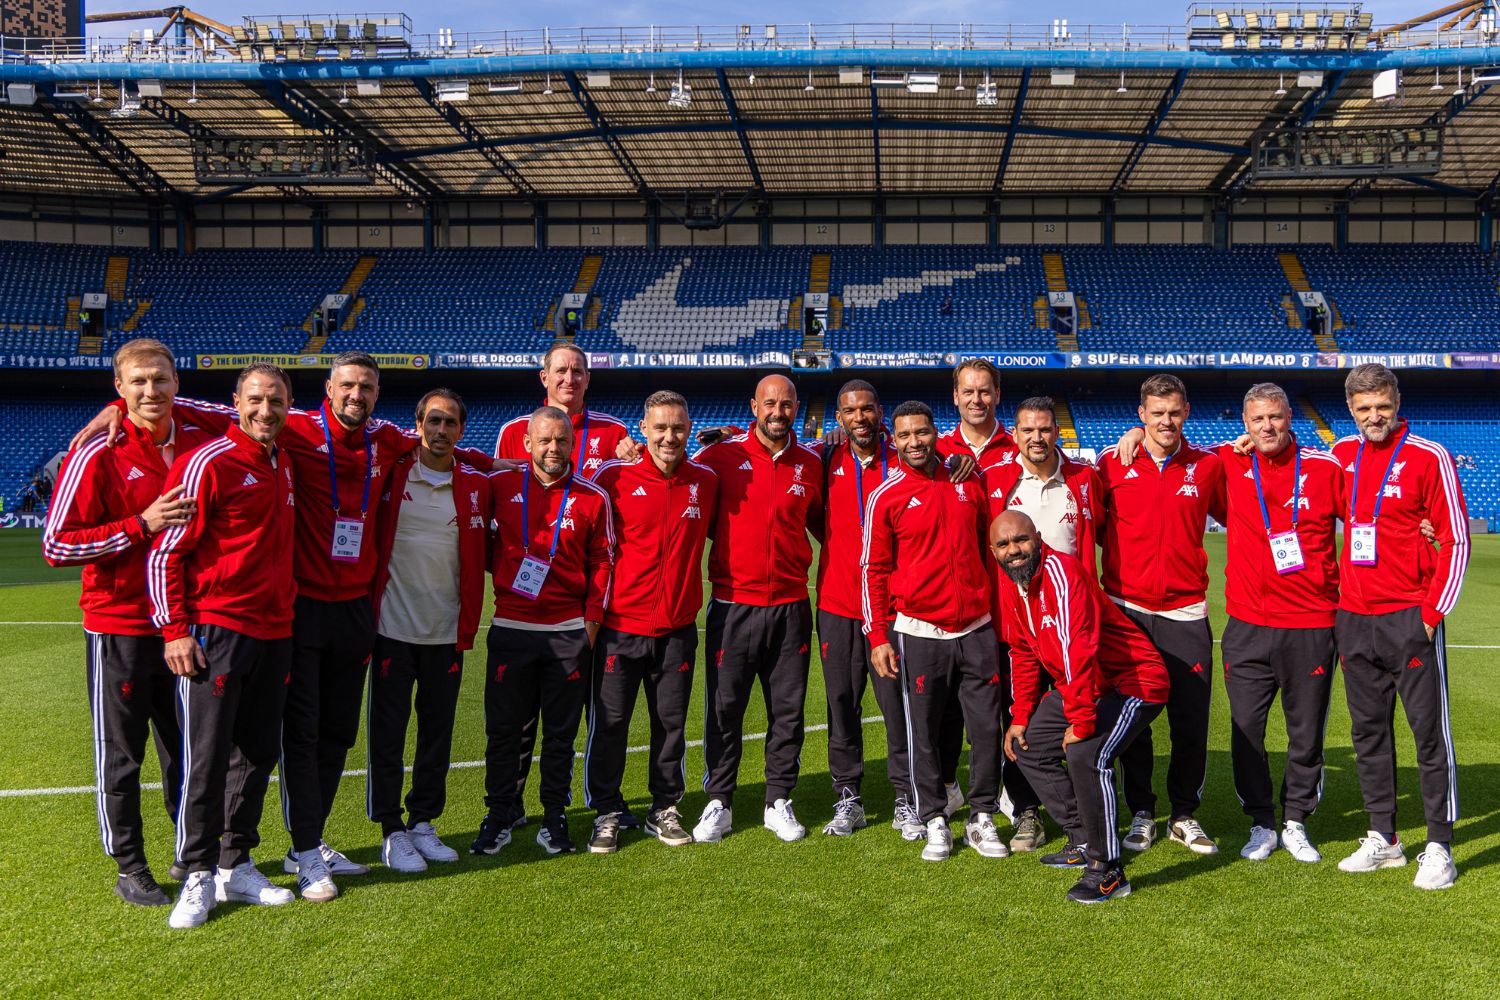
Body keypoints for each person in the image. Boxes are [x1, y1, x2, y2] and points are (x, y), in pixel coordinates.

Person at [71, 351, 496, 900]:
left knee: (335, 733)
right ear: (326, 390)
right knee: (292, 733)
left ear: (376, 393)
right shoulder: (293, 426)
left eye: (366, 387)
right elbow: (200, 406)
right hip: (296, 609)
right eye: (347, 385)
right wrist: (119, 405)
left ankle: (299, 848)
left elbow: (450, 449)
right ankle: (268, 851)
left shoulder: (386, 439)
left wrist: (509, 466)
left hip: (354, 610)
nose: (355, 396)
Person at [42, 338, 207, 907]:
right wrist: (141, 522)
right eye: (137, 382)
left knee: (189, 749)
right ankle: (130, 865)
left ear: (176, 382)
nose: (150, 391)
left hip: (185, 624)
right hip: (121, 625)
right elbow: (56, 546)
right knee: (123, 752)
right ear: (119, 389)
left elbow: (260, 406)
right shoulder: (96, 452)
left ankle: (193, 858)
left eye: (160, 379)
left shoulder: (200, 432)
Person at [148, 363, 298, 929]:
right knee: (205, 756)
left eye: (276, 401)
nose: (265, 411)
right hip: (216, 631)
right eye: (255, 400)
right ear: (235, 401)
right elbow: (165, 553)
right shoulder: (207, 462)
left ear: (288, 406)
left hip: (275, 630)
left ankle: (236, 862)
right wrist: (175, 630)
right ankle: (196, 872)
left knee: (258, 752)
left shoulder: (282, 462)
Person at [1332, 363, 1469, 890]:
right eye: (1364, 408)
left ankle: (1439, 845)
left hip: (1409, 617)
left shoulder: (1427, 456)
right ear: (1351, 409)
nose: (1374, 416)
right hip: (1354, 619)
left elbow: (1456, 540)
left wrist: (1432, 614)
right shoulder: (1341, 456)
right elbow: (1278, 450)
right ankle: (1384, 838)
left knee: (1429, 735)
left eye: (1382, 405)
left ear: (1396, 400)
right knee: (1368, 734)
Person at [993, 510, 1169, 904]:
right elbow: (1022, 653)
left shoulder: (1061, 572)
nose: (1014, 550)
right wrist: (1020, 716)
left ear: (1037, 537)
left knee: (1086, 754)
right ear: (994, 552)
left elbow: (1078, 651)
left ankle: (1108, 869)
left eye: (1021, 540)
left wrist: (1083, 719)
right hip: (1090, 685)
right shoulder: (1012, 585)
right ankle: (1083, 838)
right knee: (1028, 746)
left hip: (1135, 680)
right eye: (1004, 545)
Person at [492, 342, 633, 830]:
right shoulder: (513, 431)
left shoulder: (614, 432)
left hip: (585, 605)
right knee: (519, 720)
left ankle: (598, 800)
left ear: (588, 379)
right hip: (523, 609)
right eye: (560, 371)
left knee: (590, 711)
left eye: (578, 371)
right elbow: (498, 510)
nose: (569, 378)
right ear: (543, 377)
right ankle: (508, 805)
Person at [861, 401, 1008, 863]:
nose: (914, 443)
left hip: (977, 628)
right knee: (921, 732)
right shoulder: (885, 495)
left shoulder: (969, 480)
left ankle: (983, 815)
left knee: (985, 729)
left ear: (934, 433)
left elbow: (993, 549)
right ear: (894, 439)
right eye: (904, 436)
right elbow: (873, 569)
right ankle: (935, 820)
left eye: (922, 433)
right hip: (918, 632)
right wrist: (878, 636)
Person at [471, 406, 614, 857]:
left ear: (574, 445)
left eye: (563, 441)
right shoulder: (499, 486)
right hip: (512, 628)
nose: (554, 449)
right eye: (545, 440)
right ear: (528, 444)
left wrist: (590, 624)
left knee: (559, 735)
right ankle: (499, 814)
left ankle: (554, 816)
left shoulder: (592, 497)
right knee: (504, 731)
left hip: (568, 633)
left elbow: (602, 561)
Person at [1209, 383, 1342, 864]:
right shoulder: (1229, 464)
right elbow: (1176, 451)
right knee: (1246, 729)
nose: (1267, 427)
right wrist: (1137, 434)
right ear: (1245, 425)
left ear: (1290, 418)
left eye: (1276, 418)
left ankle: (1296, 820)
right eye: (1257, 420)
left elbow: (1372, 515)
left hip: (1311, 625)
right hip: (1246, 625)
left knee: (1305, 733)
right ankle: (1261, 821)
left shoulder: (1325, 469)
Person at [1096, 374, 1226, 857]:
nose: (1165, 421)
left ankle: (1185, 813)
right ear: (1141, 415)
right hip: (1127, 610)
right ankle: (1143, 812)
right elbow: (1096, 527)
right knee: (1135, 721)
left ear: (1186, 412)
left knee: (1190, 720)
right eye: (1156, 413)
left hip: (1186, 611)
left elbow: (1245, 516)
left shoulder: (1209, 466)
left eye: (1173, 412)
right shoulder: (1112, 463)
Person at [691, 374, 824, 844]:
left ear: (796, 408)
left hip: (790, 606)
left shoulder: (810, 464)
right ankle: (719, 800)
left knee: (787, 710)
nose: (778, 412)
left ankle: (777, 799)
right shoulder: (718, 458)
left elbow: (825, 525)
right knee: (725, 709)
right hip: (732, 606)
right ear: (754, 406)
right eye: (769, 403)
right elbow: (695, 518)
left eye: (787, 404)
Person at [584, 391, 718, 852]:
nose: (669, 437)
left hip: (677, 630)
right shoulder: (612, 476)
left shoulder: (705, 479)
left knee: (670, 724)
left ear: (688, 427)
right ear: (642, 429)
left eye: (678, 428)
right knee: (611, 723)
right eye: (660, 428)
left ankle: (664, 807)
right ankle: (606, 810)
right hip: (620, 629)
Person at [366, 389, 491, 873]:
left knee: (437, 734)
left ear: (461, 430)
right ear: (418, 424)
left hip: (446, 632)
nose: (441, 430)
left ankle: (423, 822)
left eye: (451, 423)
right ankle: (390, 829)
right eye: (433, 421)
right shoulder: (392, 474)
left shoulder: (477, 484)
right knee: (388, 735)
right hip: (392, 630)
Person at [979, 395, 1104, 851]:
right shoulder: (993, 479)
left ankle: (1101, 806)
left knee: (1086, 716)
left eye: (1045, 429)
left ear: (1057, 431)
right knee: (1020, 720)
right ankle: (1028, 811)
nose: (1037, 437)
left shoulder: (1084, 479)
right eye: (1028, 430)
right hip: (1022, 626)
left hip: (1076, 626)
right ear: (1015, 434)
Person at [811, 380, 915, 838]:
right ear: (839, 418)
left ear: (881, 412)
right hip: (837, 604)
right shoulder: (824, 458)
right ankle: (847, 796)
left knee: (896, 706)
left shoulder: (905, 459)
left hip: (892, 611)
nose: (860, 418)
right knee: (841, 704)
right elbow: (816, 518)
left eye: (868, 409)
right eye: (851, 411)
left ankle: (905, 797)